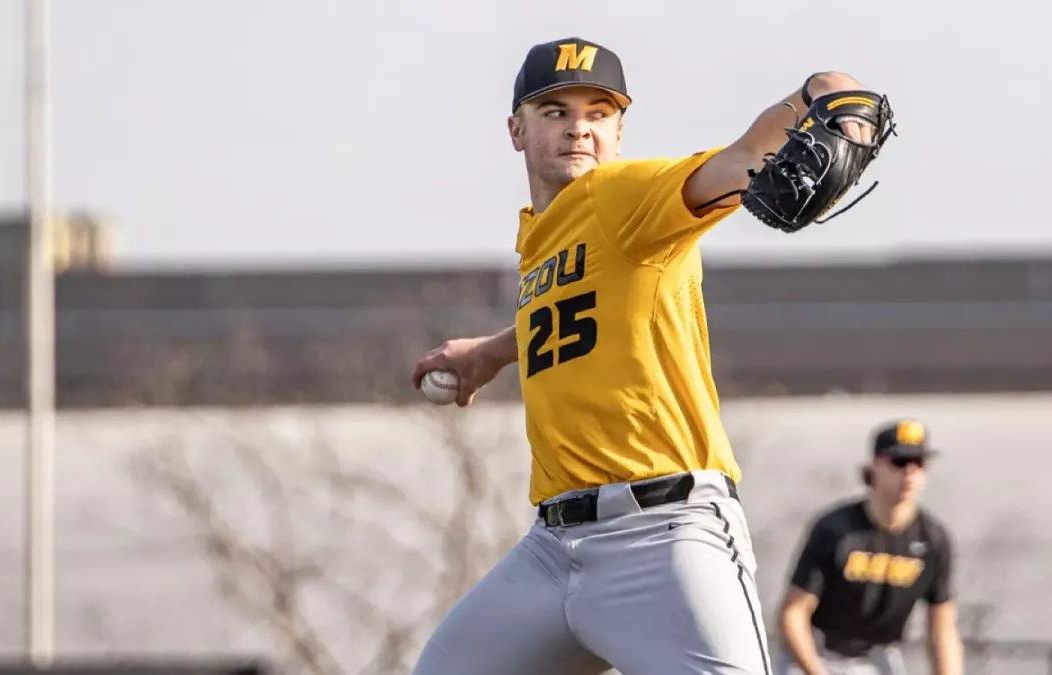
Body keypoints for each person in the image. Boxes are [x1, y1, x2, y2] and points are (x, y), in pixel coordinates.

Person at [409, 36, 879, 675]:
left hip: (662, 537)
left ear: (619, 131)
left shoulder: (625, 197)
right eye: (556, 112)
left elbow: (745, 155)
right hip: (552, 550)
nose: (579, 128)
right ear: (516, 130)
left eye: (598, 113)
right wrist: (492, 352)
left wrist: (823, 88)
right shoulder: (543, 237)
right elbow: (579, 315)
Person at [775, 420, 964, 675]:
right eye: (898, 462)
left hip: (876, 659)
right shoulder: (836, 530)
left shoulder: (933, 540)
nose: (908, 473)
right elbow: (794, 613)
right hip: (817, 654)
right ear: (874, 466)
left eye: (918, 463)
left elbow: (942, 630)